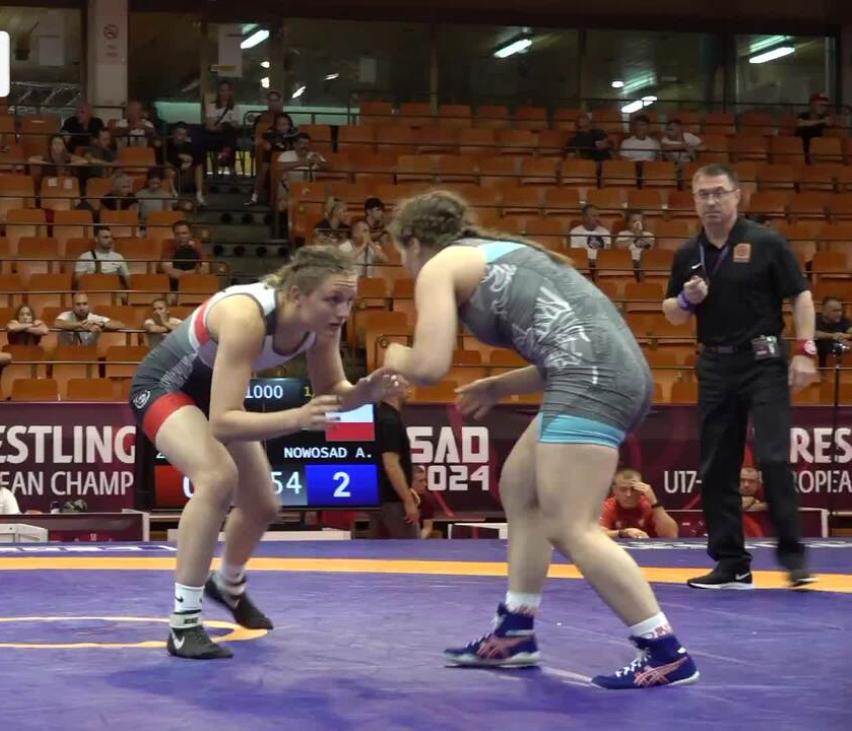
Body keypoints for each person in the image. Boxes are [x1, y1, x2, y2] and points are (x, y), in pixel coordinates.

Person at [381, 189, 698, 689]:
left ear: (415, 242)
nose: (405, 265)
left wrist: (393, 355)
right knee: (520, 487)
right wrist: (500, 385)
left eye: (401, 253)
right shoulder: (498, 253)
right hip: (603, 370)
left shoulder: (441, 265)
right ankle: (515, 630)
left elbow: (428, 366)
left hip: (591, 378)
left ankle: (665, 650)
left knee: (571, 527)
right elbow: (574, 338)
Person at [130, 245, 399, 660]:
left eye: (350, 301)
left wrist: (366, 392)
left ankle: (228, 585)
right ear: (295, 294)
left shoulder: (321, 325)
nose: (343, 312)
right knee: (217, 479)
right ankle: (184, 624)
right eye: (333, 299)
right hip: (164, 388)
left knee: (263, 505)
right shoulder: (246, 316)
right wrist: (298, 417)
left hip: (216, 395)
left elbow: (331, 392)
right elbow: (223, 423)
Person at [662, 163, 817, 590]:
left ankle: (793, 557)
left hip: (764, 360)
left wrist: (805, 350)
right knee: (717, 466)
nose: (711, 201)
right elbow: (672, 314)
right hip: (715, 364)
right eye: (703, 194)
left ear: (737, 195)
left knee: (772, 457)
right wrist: (686, 299)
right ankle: (732, 563)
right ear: (694, 200)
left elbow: (800, 295)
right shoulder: (688, 253)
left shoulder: (766, 242)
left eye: (719, 193)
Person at [374, 385, 420, 539]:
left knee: (378, 551)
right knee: (410, 550)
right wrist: (407, 501)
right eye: (405, 385)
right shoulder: (390, 421)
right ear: (392, 389)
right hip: (393, 501)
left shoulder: (379, 416)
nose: (410, 389)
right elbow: (391, 465)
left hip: (380, 498)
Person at [600, 468, 679, 539]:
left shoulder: (649, 505)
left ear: (641, 489)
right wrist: (623, 533)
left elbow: (671, 535)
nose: (628, 494)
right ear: (614, 490)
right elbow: (597, 534)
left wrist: (654, 501)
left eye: (633, 489)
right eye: (623, 489)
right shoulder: (607, 506)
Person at [815, 296, 850, 367]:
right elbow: (813, 333)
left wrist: (843, 336)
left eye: (840, 310)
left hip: (836, 354)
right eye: (835, 311)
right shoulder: (815, 320)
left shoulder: (844, 321)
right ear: (824, 311)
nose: (839, 313)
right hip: (818, 356)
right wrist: (833, 335)